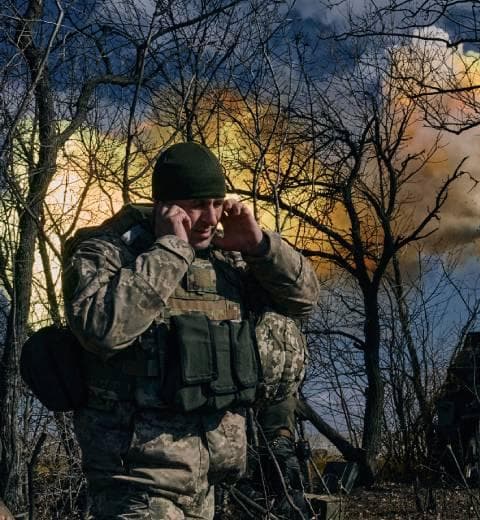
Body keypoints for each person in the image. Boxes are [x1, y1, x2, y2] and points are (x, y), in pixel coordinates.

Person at [62, 141, 319, 519]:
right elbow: (101, 329)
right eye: (197, 204)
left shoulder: (224, 258)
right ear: (164, 205)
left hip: (208, 485)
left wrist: (260, 246)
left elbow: (303, 301)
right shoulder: (109, 252)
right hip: (136, 484)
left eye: (217, 203)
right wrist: (170, 251)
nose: (210, 217)